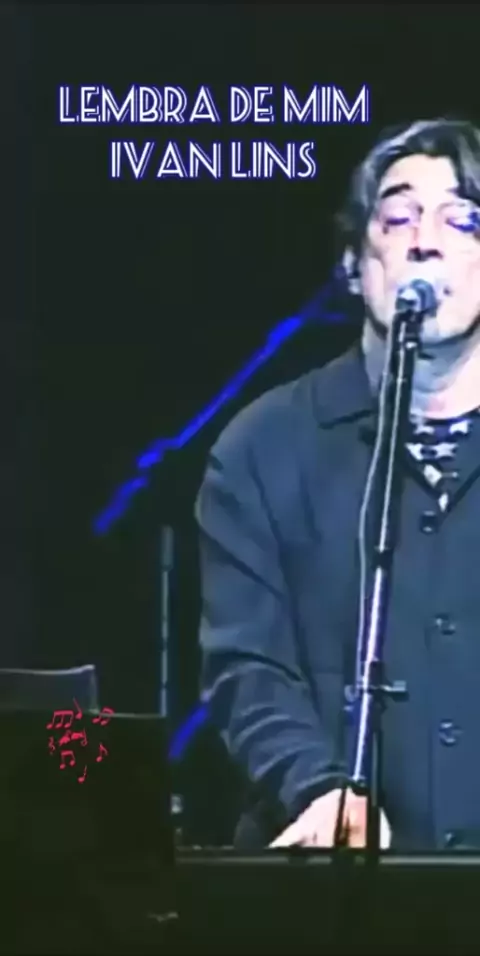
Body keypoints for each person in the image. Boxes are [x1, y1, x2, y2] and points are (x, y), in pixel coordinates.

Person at [195, 117, 480, 851]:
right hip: (338, 882)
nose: (425, 241)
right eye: (399, 217)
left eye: (462, 219)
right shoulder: (263, 448)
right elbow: (248, 667)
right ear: (356, 262)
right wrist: (318, 787)